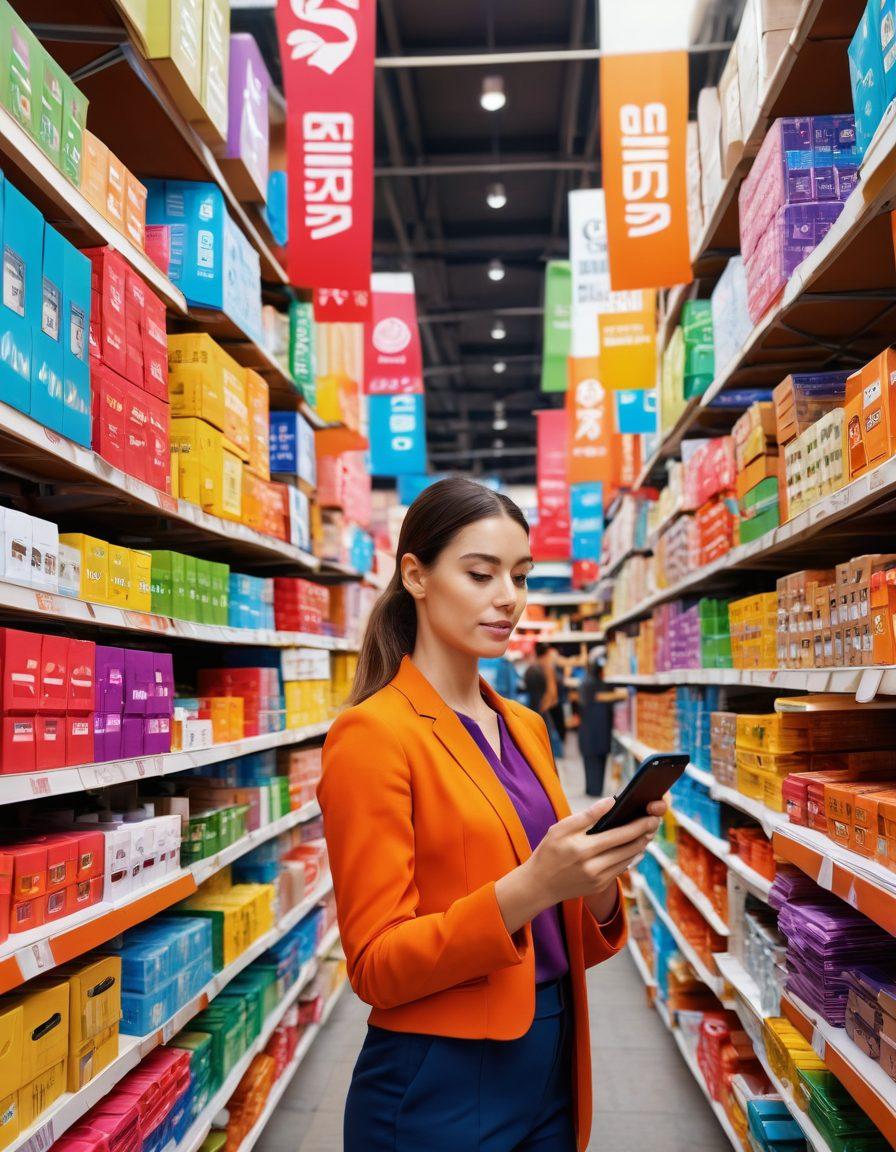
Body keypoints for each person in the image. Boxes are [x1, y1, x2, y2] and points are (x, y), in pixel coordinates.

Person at [318, 478, 666, 1152]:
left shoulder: (527, 727)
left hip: (554, 1052)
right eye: (481, 574)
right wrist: (532, 886)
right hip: (438, 1075)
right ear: (415, 576)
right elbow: (376, 965)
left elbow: (570, 938)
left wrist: (595, 875)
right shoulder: (374, 734)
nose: (508, 596)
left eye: (520, 575)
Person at [578, 647, 616, 797]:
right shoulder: (590, 682)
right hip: (594, 732)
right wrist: (620, 694)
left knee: (594, 762)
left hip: (593, 732)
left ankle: (593, 789)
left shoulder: (589, 680)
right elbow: (600, 697)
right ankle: (593, 790)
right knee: (595, 761)